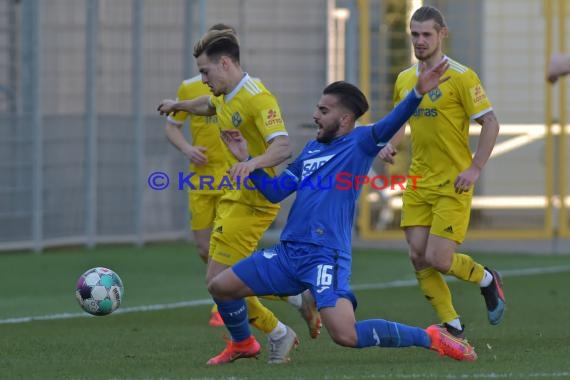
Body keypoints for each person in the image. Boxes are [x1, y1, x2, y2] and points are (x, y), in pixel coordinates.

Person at [206, 61, 479, 365]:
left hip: (326, 256)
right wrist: (247, 159)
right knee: (220, 286)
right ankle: (244, 344)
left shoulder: (360, 142)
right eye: (317, 109)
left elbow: (392, 122)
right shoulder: (311, 149)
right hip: (289, 253)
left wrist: (416, 93)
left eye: (323, 111)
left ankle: (432, 337)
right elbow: (275, 191)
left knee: (345, 335)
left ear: (346, 118)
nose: (315, 116)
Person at [157, 28, 320, 364]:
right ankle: (280, 315)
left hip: (254, 200)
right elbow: (208, 105)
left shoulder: (258, 98)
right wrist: (179, 105)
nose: (203, 79)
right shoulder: (224, 94)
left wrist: (252, 164)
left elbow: (283, 145)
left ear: (226, 63)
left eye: (206, 71)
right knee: (221, 279)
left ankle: (271, 333)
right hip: (236, 196)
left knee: (221, 281)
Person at [377, 5, 505, 340]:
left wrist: (476, 167)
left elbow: (490, 123)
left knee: (439, 257)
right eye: (415, 34)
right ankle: (453, 325)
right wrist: (390, 145)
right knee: (418, 257)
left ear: (442, 34)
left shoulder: (462, 76)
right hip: (418, 180)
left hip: (453, 182)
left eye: (426, 34)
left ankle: (487, 279)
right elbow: (398, 122)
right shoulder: (406, 78)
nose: (420, 41)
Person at [163, 23, 233, 328]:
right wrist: (188, 149)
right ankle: (227, 287)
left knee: (228, 243)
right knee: (205, 248)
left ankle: (227, 302)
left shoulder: (247, 87)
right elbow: (172, 126)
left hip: (234, 178)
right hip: (201, 178)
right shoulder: (191, 86)